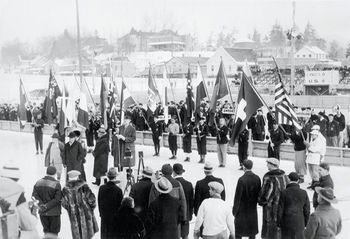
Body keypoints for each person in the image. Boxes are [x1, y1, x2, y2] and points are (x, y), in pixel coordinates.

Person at [0, 162, 39, 238]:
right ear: (16, 178)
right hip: (5, 234)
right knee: (33, 234)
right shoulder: (17, 193)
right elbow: (28, 224)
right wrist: (34, 213)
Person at [62, 170, 99, 239]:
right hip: (86, 214)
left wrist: (70, 209)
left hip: (73, 215)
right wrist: (91, 208)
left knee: (77, 234)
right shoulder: (84, 187)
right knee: (88, 234)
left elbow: (64, 203)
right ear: (77, 177)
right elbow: (92, 200)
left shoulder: (65, 189)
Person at [258, 158, 289, 239]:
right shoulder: (284, 176)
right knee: (279, 225)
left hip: (271, 206)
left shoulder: (269, 177)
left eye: (268, 163)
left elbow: (265, 193)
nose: (266, 165)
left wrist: (261, 201)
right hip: (282, 205)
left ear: (272, 165)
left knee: (269, 227)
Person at [232, 160, 261, 239]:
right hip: (252, 209)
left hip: (242, 210)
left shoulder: (241, 179)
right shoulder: (257, 178)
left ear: (244, 167)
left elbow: (237, 197)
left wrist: (234, 211)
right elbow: (259, 194)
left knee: (239, 232)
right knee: (252, 233)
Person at [277, 172, 310, 239]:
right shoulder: (304, 193)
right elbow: (307, 210)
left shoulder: (284, 192)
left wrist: (278, 223)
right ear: (298, 180)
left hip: (286, 222)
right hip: (299, 222)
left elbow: (280, 209)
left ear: (289, 179)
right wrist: (306, 223)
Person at [32, 166, 62, 238]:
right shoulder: (56, 184)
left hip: (43, 212)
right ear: (54, 173)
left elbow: (34, 196)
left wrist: (42, 205)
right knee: (54, 232)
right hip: (54, 213)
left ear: (46, 172)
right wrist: (47, 206)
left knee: (46, 231)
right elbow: (57, 199)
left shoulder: (38, 182)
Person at [98, 167, 123, 239]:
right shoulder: (118, 190)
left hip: (104, 216)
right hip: (114, 217)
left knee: (104, 235)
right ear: (115, 177)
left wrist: (101, 214)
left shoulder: (101, 188)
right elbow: (120, 205)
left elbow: (99, 201)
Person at [173, 163, 194, 239]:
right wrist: (190, 214)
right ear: (182, 172)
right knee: (185, 235)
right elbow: (191, 201)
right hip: (186, 213)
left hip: (174, 215)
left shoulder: (172, 183)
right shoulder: (189, 184)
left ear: (174, 172)